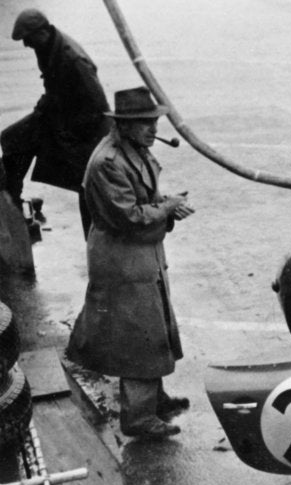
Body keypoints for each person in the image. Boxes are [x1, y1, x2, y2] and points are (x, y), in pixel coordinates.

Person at [67, 87, 194, 440]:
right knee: (138, 334)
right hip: (122, 258)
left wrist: (167, 203)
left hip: (140, 253)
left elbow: (143, 200)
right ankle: (138, 417)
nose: (154, 130)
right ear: (124, 126)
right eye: (146, 124)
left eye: (154, 122)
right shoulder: (108, 162)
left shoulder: (133, 149)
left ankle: (151, 399)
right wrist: (166, 209)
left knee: (153, 325)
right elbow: (130, 217)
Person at [1, 8, 109, 238]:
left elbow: (98, 108)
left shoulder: (73, 60)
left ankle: (95, 240)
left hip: (86, 130)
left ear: (42, 31)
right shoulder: (47, 46)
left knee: (87, 185)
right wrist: (41, 112)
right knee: (12, 138)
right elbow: (53, 89)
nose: (26, 45)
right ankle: (11, 206)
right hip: (60, 114)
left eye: (28, 39)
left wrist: (65, 134)